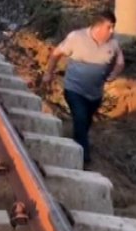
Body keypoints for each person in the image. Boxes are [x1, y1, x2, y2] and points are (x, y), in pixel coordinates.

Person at [42, 10, 125, 166]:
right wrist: (48, 73)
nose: (112, 31)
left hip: (95, 94)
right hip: (74, 89)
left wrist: (113, 74)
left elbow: (120, 62)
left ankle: (76, 144)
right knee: (80, 118)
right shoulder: (77, 37)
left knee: (84, 123)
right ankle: (82, 158)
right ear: (98, 27)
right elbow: (56, 54)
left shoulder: (113, 43)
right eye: (110, 27)